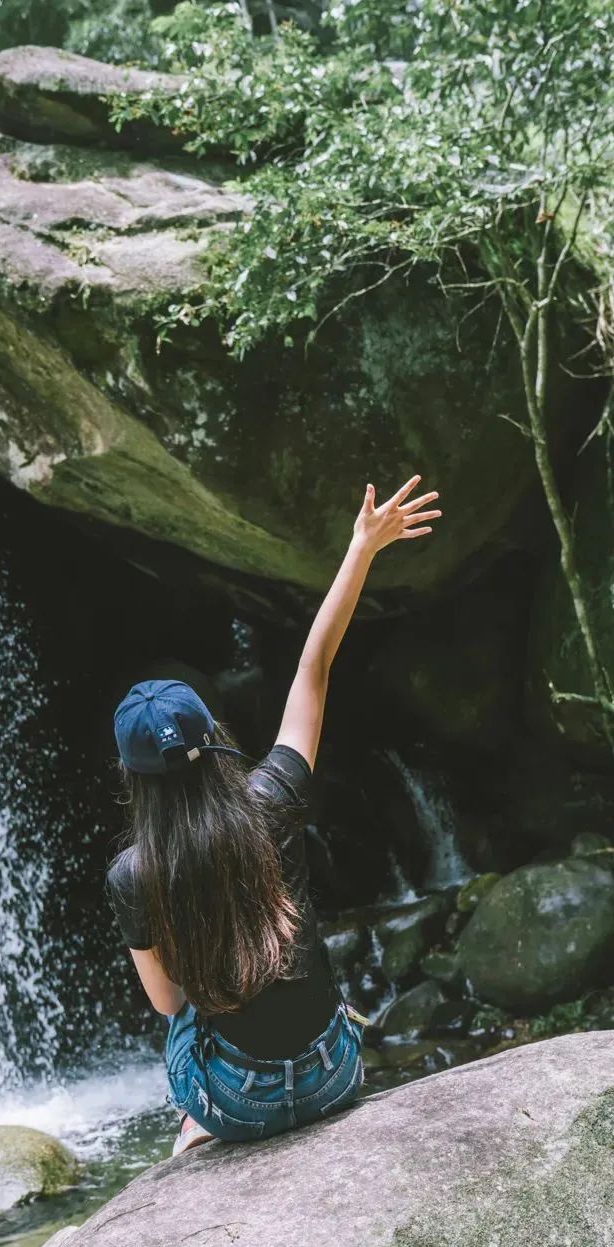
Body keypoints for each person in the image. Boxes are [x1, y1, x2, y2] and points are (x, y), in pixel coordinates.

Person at [106, 475, 443, 1155]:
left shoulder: (134, 873)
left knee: (182, 1025)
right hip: (332, 1077)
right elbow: (313, 667)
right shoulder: (273, 797)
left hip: (238, 1101)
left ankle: (195, 1126)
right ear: (215, 738)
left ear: (133, 779)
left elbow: (170, 1002)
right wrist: (361, 548)